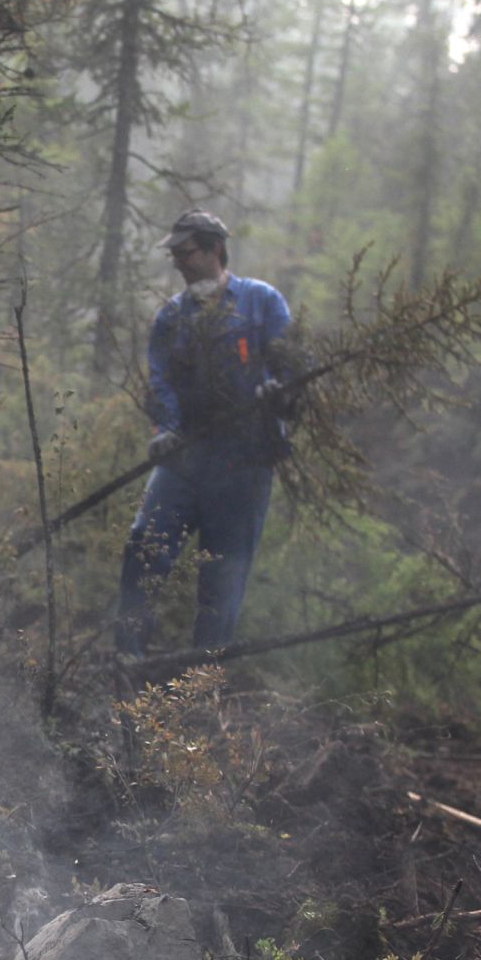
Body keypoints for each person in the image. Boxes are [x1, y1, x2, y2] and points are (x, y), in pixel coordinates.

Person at [115, 210, 295, 660]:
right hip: (185, 462)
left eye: (186, 252)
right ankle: (128, 661)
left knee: (223, 579)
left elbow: (293, 370)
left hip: (245, 466)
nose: (178, 261)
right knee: (144, 549)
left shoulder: (261, 303)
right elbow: (161, 384)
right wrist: (166, 431)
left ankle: (201, 684)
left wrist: (280, 393)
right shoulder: (171, 318)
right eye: (174, 253)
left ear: (215, 249)